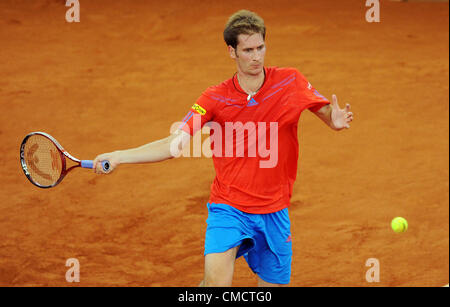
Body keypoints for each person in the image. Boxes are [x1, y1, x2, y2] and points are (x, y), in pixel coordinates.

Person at [93, 9, 353, 287]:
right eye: (248, 50)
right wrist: (120, 156)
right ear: (232, 52)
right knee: (216, 285)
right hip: (229, 207)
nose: (256, 56)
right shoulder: (214, 98)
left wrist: (334, 120)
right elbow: (173, 145)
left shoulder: (290, 81)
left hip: (275, 210)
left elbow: (326, 113)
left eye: (261, 47)